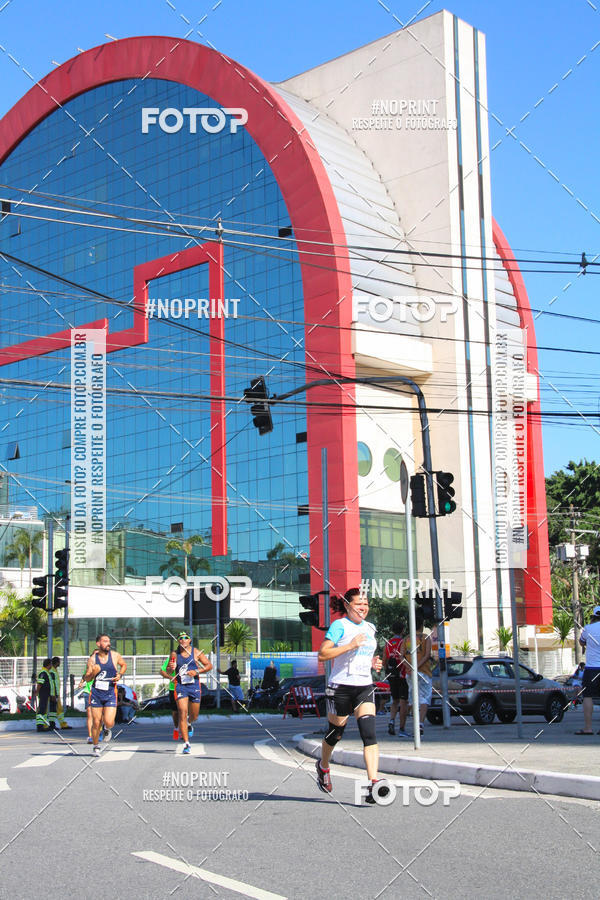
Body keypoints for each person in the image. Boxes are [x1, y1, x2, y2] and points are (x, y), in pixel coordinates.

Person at [315, 587, 388, 805]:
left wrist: (374, 662)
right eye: (358, 604)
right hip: (340, 687)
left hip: (364, 686)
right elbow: (323, 654)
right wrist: (350, 645)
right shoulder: (340, 626)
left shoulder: (370, 628)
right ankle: (323, 766)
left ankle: (373, 783)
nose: (363, 607)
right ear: (347, 606)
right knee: (336, 733)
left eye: (365, 604)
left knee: (369, 733)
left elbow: (366, 653)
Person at [166, 632, 212, 754]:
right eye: (180, 638)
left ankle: (189, 722)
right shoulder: (174, 654)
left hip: (194, 686)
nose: (183, 640)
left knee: (194, 715)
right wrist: (171, 667)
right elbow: (168, 670)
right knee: (182, 711)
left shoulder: (196, 652)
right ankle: (186, 744)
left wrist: (197, 671)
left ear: (189, 640)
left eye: (185, 638)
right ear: (178, 641)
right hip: (180, 686)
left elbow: (209, 666)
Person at [82, 633, 127, 755]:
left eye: (109, 641)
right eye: (105, 641)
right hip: (96, 693)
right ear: (98, 643)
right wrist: (93, 672)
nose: (108, 643)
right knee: (96, 722)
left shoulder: (115, 656)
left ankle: (107, 729)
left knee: (109, 721)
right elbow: (87, 678)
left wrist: (119, 674)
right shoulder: (92, 660)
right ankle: (96, 746)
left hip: (111, 692)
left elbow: (124, 665)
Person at [400, 612, 433, 737]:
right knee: (424, 698)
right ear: (422, 625)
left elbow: (401, 656)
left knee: (413, 699)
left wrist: (410, 667)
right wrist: (417, 666)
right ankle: (421, 723)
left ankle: (414, 724)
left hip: (410, 673)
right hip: (424, 672)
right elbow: (427, 655)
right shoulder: (425, 638)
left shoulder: (406, 639)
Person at [576, 605, 600, 734]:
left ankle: (588, 727)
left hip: (592, 669)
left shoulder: (589, 628)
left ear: (594, 616)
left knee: (588, 696)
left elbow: (581, 642)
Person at [383, 621, 409, 737]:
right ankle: (402, 728)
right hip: (402, 674)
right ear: (403, 630)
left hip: (392, 675)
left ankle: (391, 721)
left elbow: (384, 660)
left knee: (395, 700)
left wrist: (388, 671)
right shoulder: (403, 642)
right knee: (404, 702)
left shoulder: (388, 643)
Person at [160, 652, 180, 740]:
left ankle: (187, 727)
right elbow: (162, 671)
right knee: (176, 712)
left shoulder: (189, 658)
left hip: (186, 688)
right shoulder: (172, 659)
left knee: (184, 710)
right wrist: (170, 677)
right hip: (174, 688)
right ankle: (176, 728)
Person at [77, 674, 100, 744]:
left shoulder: (101, 666)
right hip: (88, 692)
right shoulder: (89, 666)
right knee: (90, 715)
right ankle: (90, 736)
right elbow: (84, 675)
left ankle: (99, 731)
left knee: (98, 715)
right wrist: (81, 682)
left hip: (99, 692)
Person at [51, 657, 72, 729]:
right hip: (53, 693)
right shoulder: (52, 671)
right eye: (59, 662)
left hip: (56, 693)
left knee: (58, 709)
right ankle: (59, 724)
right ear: (56, 662)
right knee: (55, 709)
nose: (60, 663)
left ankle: (61, 724)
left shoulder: (55, 670)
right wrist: (53, 694)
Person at [35, 658, 53, 731]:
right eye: (51, 664)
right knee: (41, 710)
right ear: (48, 664)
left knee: (44, 710)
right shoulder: (43, 673)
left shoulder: (46, 672)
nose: (51, 665)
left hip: (46, 694)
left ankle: (43, 725)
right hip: (43, 694)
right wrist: (37, 692)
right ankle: (40, 726)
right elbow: (40, 684)